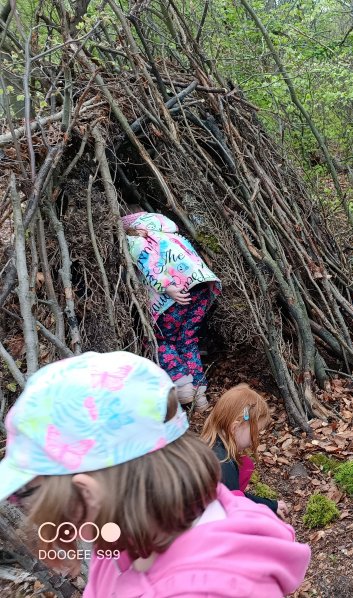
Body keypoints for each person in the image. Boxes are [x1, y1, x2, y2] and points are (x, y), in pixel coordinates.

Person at [0, 351, 310, 597]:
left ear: (88, 493)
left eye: (25, 494)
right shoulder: (120, 545)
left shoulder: (208, 589)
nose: (26, 508)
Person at [123, 211, 221, 411]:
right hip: (201, 288)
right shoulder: (171, 235)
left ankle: (184, 388)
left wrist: (166, 285)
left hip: (173, 297)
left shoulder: (137, 239)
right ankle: (200, 397)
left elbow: (146, 261)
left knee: (162, 340)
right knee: (187, 339)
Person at [200, 383, 288, 519]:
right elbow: (235, 507)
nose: (256, 439)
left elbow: (237, 498)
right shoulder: (224, 465)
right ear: (234, 428)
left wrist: (271, 505)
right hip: (207, 525)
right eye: (256, 433)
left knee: (245, 463)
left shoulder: (208, 448)